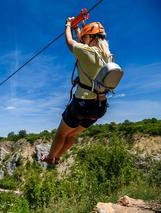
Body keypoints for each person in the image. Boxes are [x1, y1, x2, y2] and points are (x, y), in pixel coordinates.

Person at [41, 18, 112, 164]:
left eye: (86, 37)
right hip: (99, 107)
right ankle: (58, 157)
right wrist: (78, 29)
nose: (84, 39)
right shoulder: (108, 56)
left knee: (62, 133)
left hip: (82, 104)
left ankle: (50, 158)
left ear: (91, 37)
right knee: (72, 135)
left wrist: (68, 25)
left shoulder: (86, 51)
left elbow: (70, 41)